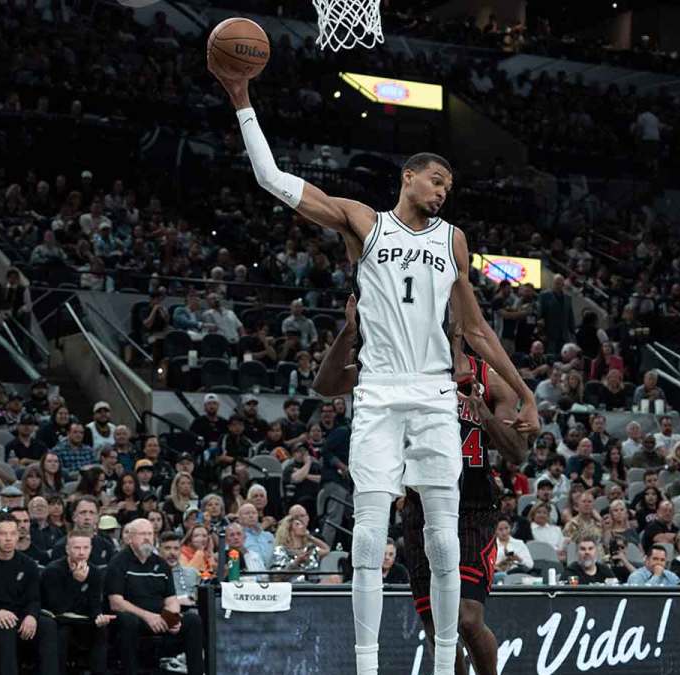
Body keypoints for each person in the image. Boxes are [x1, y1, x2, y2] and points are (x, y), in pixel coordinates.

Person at [220, 72, 537, 675]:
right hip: (379, 390)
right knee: (367, 536)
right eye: (436, 180)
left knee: (443, 538)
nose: (443, 192)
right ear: (408, 176)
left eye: (449, 186)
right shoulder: (364, 222)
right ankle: (365, 667)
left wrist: (524, 393)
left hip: (435, 391)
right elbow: (272, 179)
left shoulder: (454, 240)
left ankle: (443, 669)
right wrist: (242, 102)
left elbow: (475, 329)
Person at [315, 313, 532, 675]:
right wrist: (349, 332)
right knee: (436, 627)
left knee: (466, 618)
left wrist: (484, 414)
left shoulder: (487, 379)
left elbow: (518, 452)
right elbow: (325, 384)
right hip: (420, 504)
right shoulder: (396, 369)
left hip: (474, 505)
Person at [107, 518, 203, 675]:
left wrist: (172, 617)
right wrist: (148, 616)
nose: (147, 538)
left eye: (150, 534)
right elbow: (116, 602)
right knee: (127, 620)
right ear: (130, 538)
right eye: (142, 534)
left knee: (193, 620)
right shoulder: (118, 562)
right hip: (135, 619)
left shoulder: (161, 564)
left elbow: (171, 600)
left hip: (160, 618)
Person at [0, 512, 57, 675]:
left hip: (20, 615)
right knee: (6, 626)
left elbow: (34, 599)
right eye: (3, 534)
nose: (8, 539)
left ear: (17, 536)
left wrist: (31, 616)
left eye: (12, 534)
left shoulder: (29, 564)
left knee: (47, 625)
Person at [41, 529, 114, 675]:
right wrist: (76, 582)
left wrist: (99, 617)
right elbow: (58, 607)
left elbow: (94, 604)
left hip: (83, 620)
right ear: (67, 549)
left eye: (85, 548)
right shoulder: (53, 571)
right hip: (59, 620)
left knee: (101, 629)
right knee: (62, 632)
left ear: (91, 549)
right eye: (77, 548)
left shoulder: (94, 571)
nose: (81, 552)